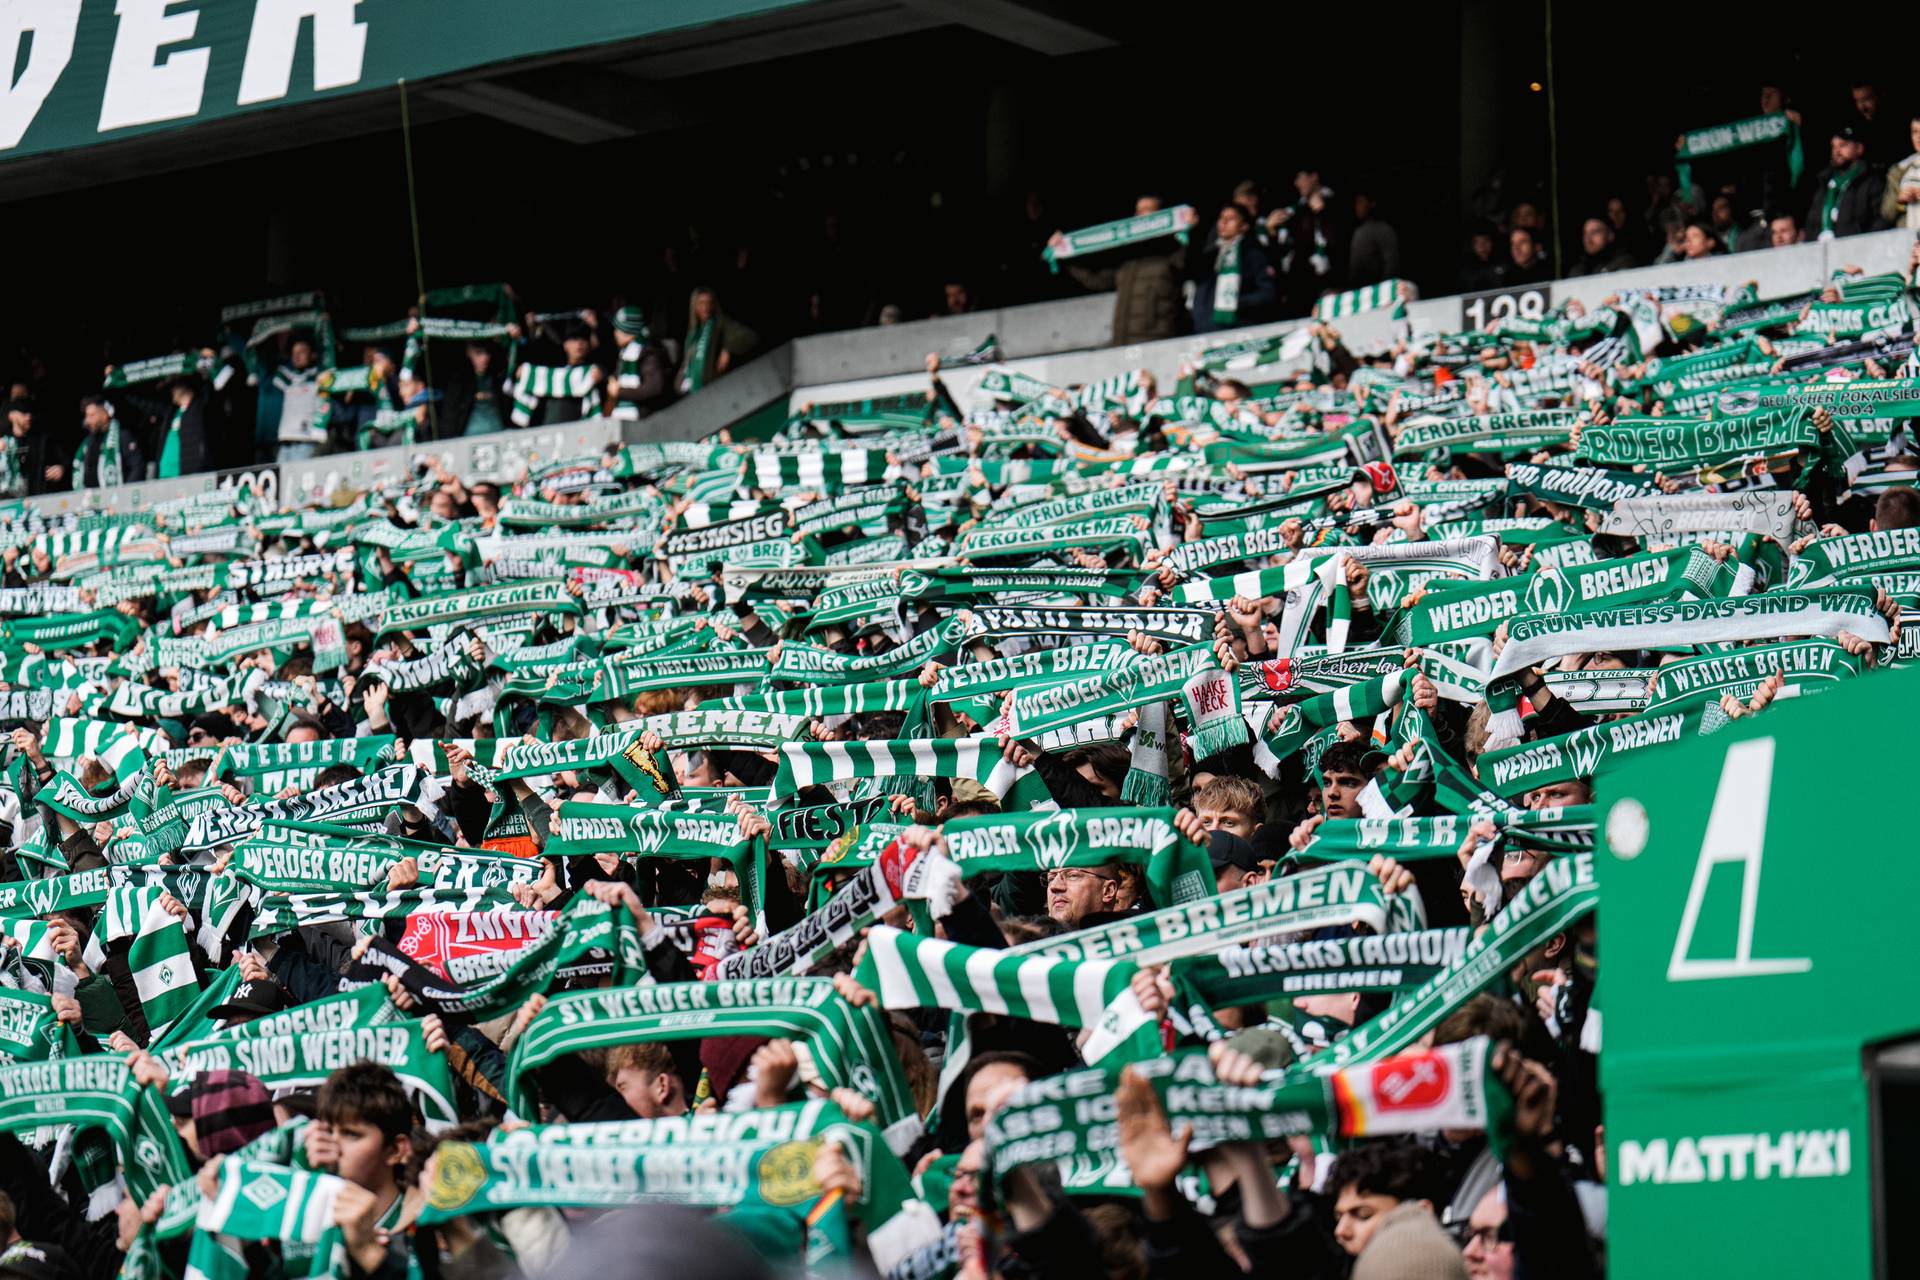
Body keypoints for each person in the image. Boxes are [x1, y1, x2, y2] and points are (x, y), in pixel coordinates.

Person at [1060, 196, 1192, 347]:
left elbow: (1191, 261)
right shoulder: (1128, 259)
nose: (1141, 216)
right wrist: (1065, 256)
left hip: (1157, 342)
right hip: (1123, 341)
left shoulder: (1173, 251)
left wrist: (1189, 229)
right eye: (1138, 211)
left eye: (1148, 210)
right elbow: (1097, 280)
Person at [1189, 203, 1277, 334]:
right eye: (1221, 218)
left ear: (1244, 226)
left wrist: (1236, 302)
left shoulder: (1253, 254)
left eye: (1230, 219)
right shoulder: (1209, 256)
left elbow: (1268, 293)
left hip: (1238, 330)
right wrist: (1191, 231)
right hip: (1205, 331)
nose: (1223, 222)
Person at [1269, 167, 1343, 313]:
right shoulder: (1296, 210)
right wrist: (1271, 231)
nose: (1297, 184)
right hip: (1299, 286)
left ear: (1313, 177)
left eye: (1300, 178)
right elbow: (1288, 250)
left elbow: (1340, 243)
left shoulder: (1337, 203)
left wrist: (1323, 213)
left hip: (1330, 284)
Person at [1804, 126, 1886, 239]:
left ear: (1859, 149)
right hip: (1824, 250)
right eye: (1834, 147)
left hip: (1858, 251)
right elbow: (1811, 224)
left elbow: (1880, 219)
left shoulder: (1872, 181)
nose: (1837, 151)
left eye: (1843, 145)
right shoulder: (1824, 184)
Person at [676, 287, 758, 395]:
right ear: (694, 306)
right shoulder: (692, 336)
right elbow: (685, 368)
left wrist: (727, 349)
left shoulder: (719, 324)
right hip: (694, 397)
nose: (705, 307)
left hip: (716, 390)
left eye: (709, 303)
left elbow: (750, 336)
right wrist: (680, 382)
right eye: (701, 303)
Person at [605, 306, 673, 422]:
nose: (615, 333)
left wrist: (620, 391)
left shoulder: (649, 353)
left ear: (629, 331)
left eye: (618, 329)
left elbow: (653, 388)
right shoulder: (625, 353)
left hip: (645, 422)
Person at [59, 396, 142, 490]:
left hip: (117, 498)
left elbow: (137, 467)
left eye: (92, 416)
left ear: (104, 415)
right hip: (90, 500)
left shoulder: (122, 436)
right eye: (86, 416)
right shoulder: (87, 443)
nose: (87, 421)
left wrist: (125, 493)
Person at [441, 341, 511, 437]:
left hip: (499, 433)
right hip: (470, 437)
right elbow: (449, 416)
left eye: (487, 353)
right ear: (468, 353)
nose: (484, 358)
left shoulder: (497, 378)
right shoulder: (459, 382)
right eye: (478, 353)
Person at [154, 376, 208, 480]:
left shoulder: (198, 408)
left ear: (184, 386)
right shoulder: (171, 412)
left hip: (186, 474)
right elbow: (146, 403)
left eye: (175, 386)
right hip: (164, 474)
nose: (172, 391)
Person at [1347, 193, 1400, 286]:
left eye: (1361, 202)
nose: (1357, 207)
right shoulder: (1358, 231)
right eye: (1356, 203)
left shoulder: (1383, 229)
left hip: (1378, 289)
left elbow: (1391, 263)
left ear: (1371, 204)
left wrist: (1384, 288)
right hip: (1358, 290)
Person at [1879, 114, 1920, 231]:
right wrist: (1901, 201)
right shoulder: (1900, 169)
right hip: (1908, 241)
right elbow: (1887, 214)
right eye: (1915, 132)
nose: (1918, 137)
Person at [0, 400, 46, 498]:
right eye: (23, 413)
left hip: (32, 498)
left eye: (30, 414)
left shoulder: (40, 441)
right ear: (11, 416)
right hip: (6, 500)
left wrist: (61, 467)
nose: (28, 417)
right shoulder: (3, 441)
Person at [1566, 217, 1636, 276]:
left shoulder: (1623, 261)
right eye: (1585, 233)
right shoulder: (1577, 270)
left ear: (1610, 235)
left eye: (1594, 232)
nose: (1588, 239)